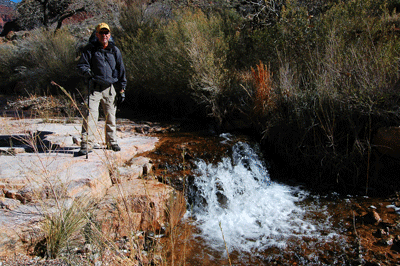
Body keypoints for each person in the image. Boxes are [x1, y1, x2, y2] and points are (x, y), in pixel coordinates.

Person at [76, 22, 127, 156]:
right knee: (90, 116)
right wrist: (87, 72)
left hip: (110, 89)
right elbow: (81, 65)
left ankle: (112, 142)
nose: (104, 35)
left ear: (109, 35)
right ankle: (86, 145)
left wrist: (122, 90)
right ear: (97, 34)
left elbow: (121, 70)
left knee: (111, 116)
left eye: (106, 33)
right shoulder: (90, 49)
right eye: (102, 33)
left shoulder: (115, 50)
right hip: (94, 89)